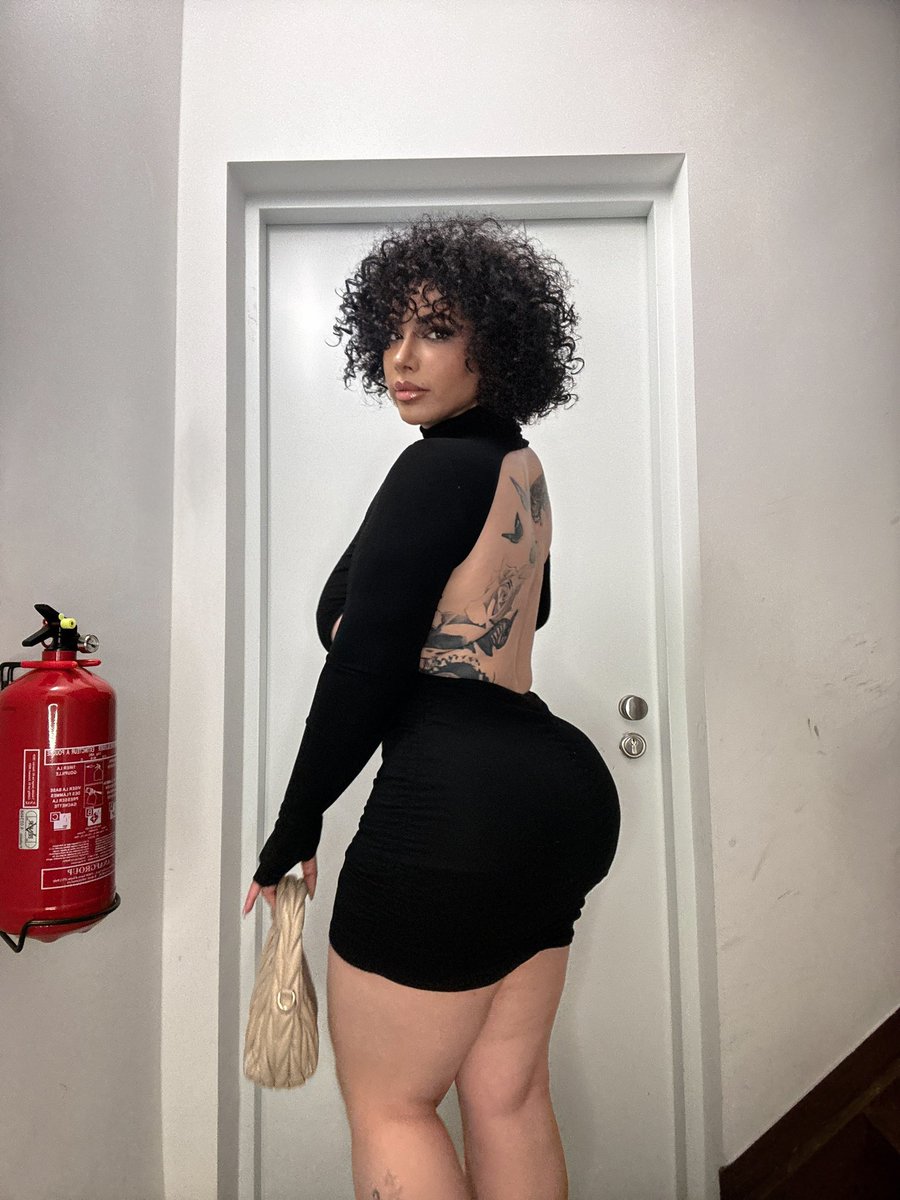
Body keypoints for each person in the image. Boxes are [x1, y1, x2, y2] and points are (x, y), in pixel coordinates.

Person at [242, 212, 621, 1200]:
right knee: (509, 1095)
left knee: (393, 1106)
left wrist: (294, 825)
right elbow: (529, 610)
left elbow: (365, 665)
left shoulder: (437, 469)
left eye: (437, 331)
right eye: (392, 332)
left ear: (495, 346)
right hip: (561, 796)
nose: (402, 358)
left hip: (460, 806)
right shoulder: (519, 470)